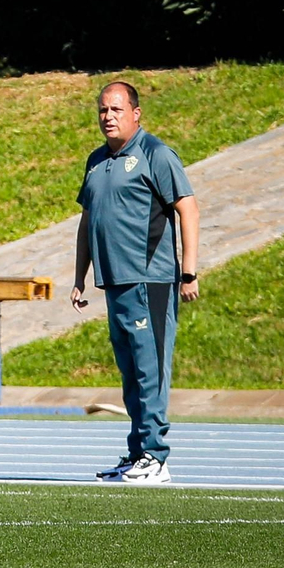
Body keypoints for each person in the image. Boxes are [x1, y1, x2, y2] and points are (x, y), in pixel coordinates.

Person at [71, 81, 200, 484]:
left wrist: (189, 270)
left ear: (136, 114)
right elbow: (88, 221)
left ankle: (156, 457)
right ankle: (136, 453)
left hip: (151, 281)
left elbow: (188, 208)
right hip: (115, 283)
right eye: (103, 111)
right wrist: (80, 276)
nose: (108, 117)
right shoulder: (96, 160)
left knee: (151, 369)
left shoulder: (155, 154)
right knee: (130, 373)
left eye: (116, 110)